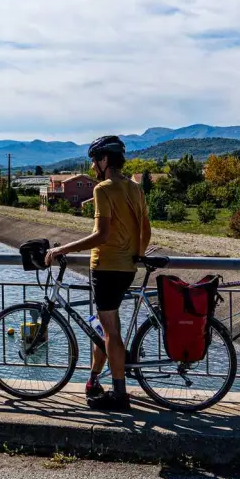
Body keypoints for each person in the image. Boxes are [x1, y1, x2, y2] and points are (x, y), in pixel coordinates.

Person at [45, 135, 151, 412]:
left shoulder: (103, 189)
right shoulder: (135, 188)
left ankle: (119, 395)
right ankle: (94, 380)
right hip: (127, 267)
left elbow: (101, 235)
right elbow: (146, 229)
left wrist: (61, 250)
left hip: (105, 267)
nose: (92, 167)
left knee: (111, 332)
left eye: (94, 160)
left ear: (105, 160)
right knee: (103, 329)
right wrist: (136, 254)